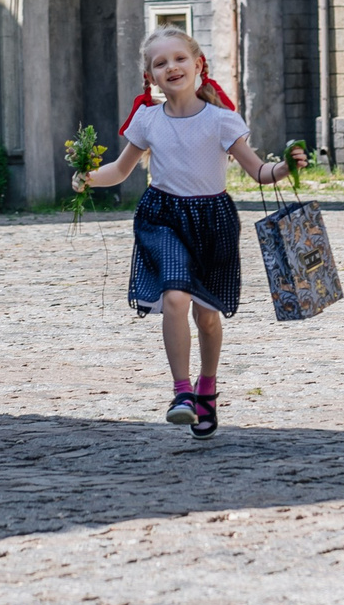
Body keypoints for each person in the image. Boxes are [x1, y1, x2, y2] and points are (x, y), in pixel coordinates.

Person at [75, 26, 306, 440]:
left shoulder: (221, 120)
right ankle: (181, 393)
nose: (172, 67)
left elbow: (258, 171)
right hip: (162, 216)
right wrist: (87, 177)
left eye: (179, 59)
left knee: (208, 316)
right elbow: (121, 170)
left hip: (212, 221)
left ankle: (207, 389)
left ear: (198, 64)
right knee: (175, 295)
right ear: (151, 77)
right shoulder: (147, 120)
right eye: (160, 63)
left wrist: (287, 166)